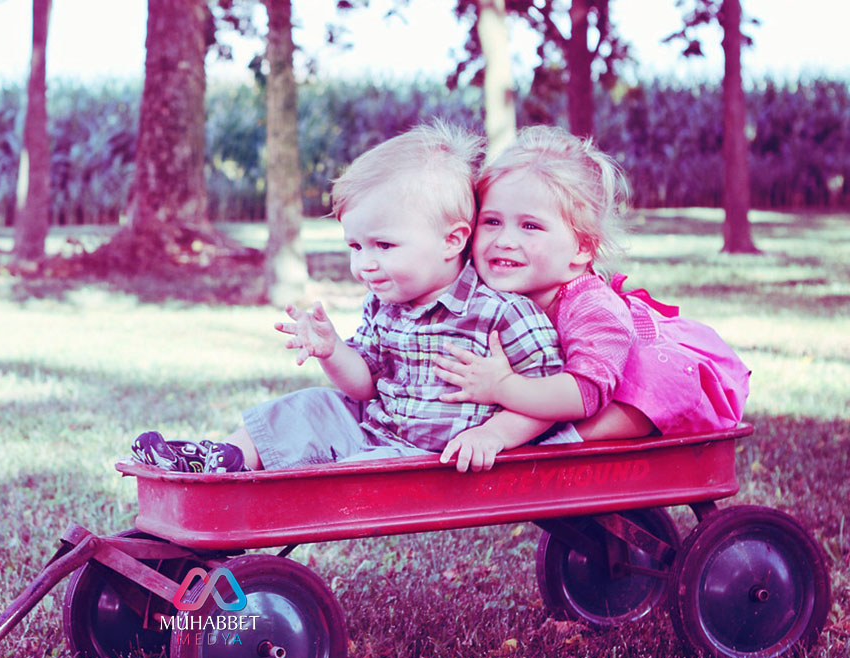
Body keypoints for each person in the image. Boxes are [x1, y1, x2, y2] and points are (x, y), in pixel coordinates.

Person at [131, 120, 564, 474]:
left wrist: (494, 435)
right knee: (313, 405)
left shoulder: (500, 313)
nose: (365, 265)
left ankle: (267, 482)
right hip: (376, 431)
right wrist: (333, 351)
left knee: (354, 473)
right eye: (355, 247)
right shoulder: (384, 303)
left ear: (452, 241)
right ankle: (223, 459)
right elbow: (363, 386)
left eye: (384, 246)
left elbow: (548, 401)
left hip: (432, 459)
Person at [435, 125, 749, 441]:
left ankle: (574, 439)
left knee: (646, 387)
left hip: (637, 382)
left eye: (530, 226)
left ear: (582, 248)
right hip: (567, 385)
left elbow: (584, 392)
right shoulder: (489, 285)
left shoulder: (592, 307)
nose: (504, 240)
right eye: (492, 222)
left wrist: (503, 387)